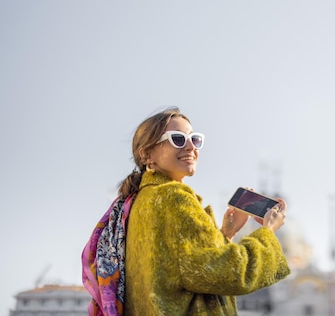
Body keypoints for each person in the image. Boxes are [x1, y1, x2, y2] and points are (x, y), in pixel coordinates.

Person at [84, 107, 290, 316]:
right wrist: (268, 232)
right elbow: (229, 273)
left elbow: (181, 268)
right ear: (147, 154)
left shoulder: (137, 202)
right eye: (178, 139)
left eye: (195, 139)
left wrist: (226, 234)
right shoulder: (173, 198)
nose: (191, 146)